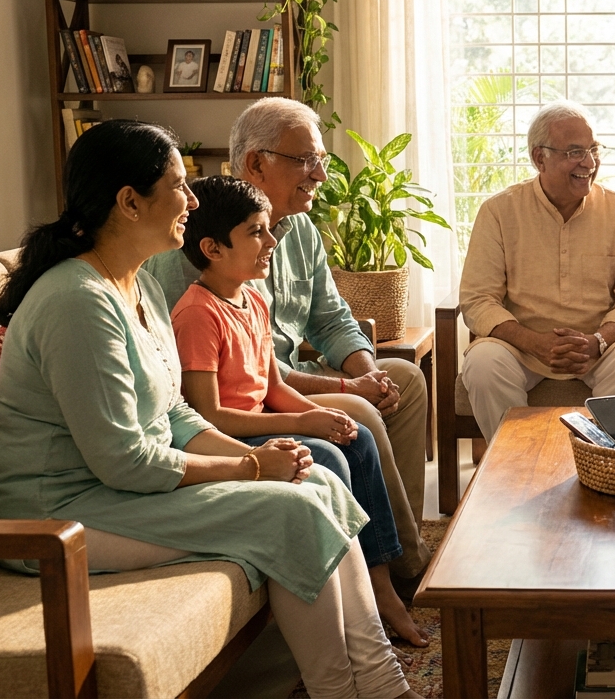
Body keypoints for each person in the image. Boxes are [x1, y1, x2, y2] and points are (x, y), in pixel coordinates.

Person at [0, 120, 419, 698]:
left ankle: (383, 684)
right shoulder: (75, 302)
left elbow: (178, 414)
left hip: (114, 488)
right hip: (55, 511)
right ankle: (343, 691)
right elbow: (125, 461)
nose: (192, 199)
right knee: (291, 515)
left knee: (323, 488)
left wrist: (259, 457)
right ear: (129, 202)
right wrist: (250, 468)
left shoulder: (138, 286)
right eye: (179, 186)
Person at [145, 98, 434, 602]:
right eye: (306, 160)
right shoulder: (198, 242)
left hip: (288, 375)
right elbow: (233, 368)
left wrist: (368, 371)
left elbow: (330, 318)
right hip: (246, 395)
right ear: (256, 163)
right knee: (360, 410)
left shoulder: (299, 229)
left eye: (319, 160)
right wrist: (349, 388)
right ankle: (408, 565)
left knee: (403, 381)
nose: (320, 174)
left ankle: (392, 536)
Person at [171, 175, 428, 646]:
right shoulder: (197, 315)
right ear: (212, 248)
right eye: (256, 232)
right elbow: (209, 415)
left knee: (355, 436)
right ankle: (349, 597)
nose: (272, 241)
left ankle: (383, 584)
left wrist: (320, 415)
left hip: (265, 419)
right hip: (233, 439)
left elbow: (271, 383)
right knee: (326, 458)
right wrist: (302, 422)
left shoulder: (251, 299)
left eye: (268, 229)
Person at [459, 101, 615, 443]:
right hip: (522, 348)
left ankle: (602, 459)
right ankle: (517, 466)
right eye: (575, 152)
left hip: (598, 349)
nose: (590, 163)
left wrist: (597, 342)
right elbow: (478, 299)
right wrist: (533, 343)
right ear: (540, 158)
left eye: (594, 149)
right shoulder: (499, 211)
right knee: (483, 363)